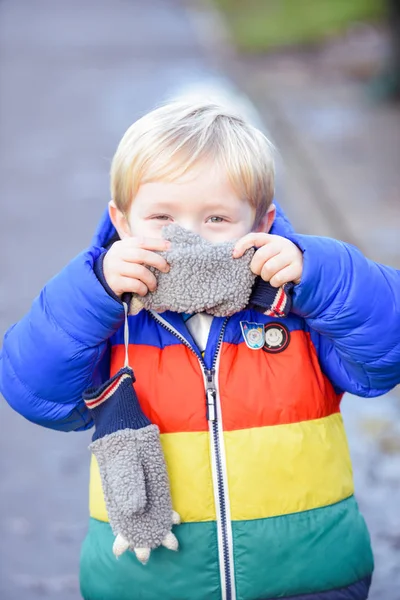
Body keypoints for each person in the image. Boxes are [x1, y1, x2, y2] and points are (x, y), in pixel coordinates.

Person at [1, 100, 400, 600]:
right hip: (151, 582)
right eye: (162, 216)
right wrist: (91, 294)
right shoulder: (112, 317)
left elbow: (385, 356)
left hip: (308, 576)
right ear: (122, 222)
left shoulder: (293, 307)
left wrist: (322, 274)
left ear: (262, 222)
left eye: (215, 218)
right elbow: (35, 391)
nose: (185, 236)